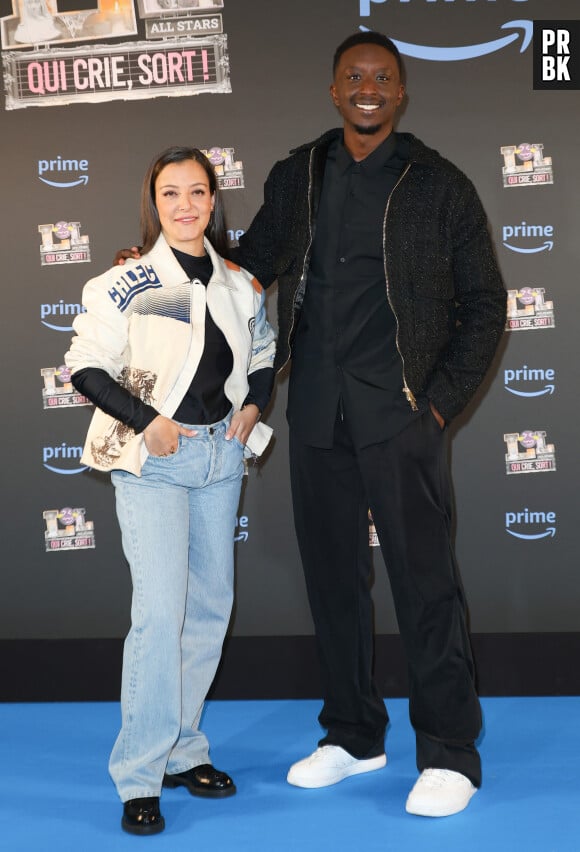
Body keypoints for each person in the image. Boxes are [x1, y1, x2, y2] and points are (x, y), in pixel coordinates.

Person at [115, 31, 506, 818]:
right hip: (317, 411)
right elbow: (251, 262)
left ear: (400, 93)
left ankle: (451, 753)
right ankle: (355, 735)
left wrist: (436, 407)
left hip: (400, 415)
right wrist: (161, 259)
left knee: (425, 587)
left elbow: (487, 306)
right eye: (353, 77)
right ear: (334, 91)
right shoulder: (300, 173)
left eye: (383, 78)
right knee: (334, 586)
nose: (368, 88)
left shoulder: (441, 185)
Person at [65, 145, 276, 835]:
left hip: (220, 459)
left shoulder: (240, 284)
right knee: (160, 616)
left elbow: (266, 351)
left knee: (210, 608)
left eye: (198, 192)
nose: (185, 205)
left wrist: (252, 409)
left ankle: (184, 750)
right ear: (153, 204)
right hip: (155, 463)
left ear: (215, 201)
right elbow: (84, 366)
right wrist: (145, 420)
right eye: (170, 194)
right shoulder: (122, 282)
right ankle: (139, 774)